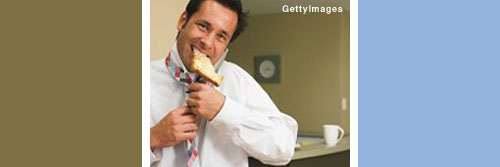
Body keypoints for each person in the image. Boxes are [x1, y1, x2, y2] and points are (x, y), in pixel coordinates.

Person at [150, 0, 298, 166]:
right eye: (203, 26)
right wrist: (152, 138)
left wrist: (224, 111)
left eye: (221, 36)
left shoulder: (238, 80)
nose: (207, 42)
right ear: (182, 21)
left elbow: (284, 149)